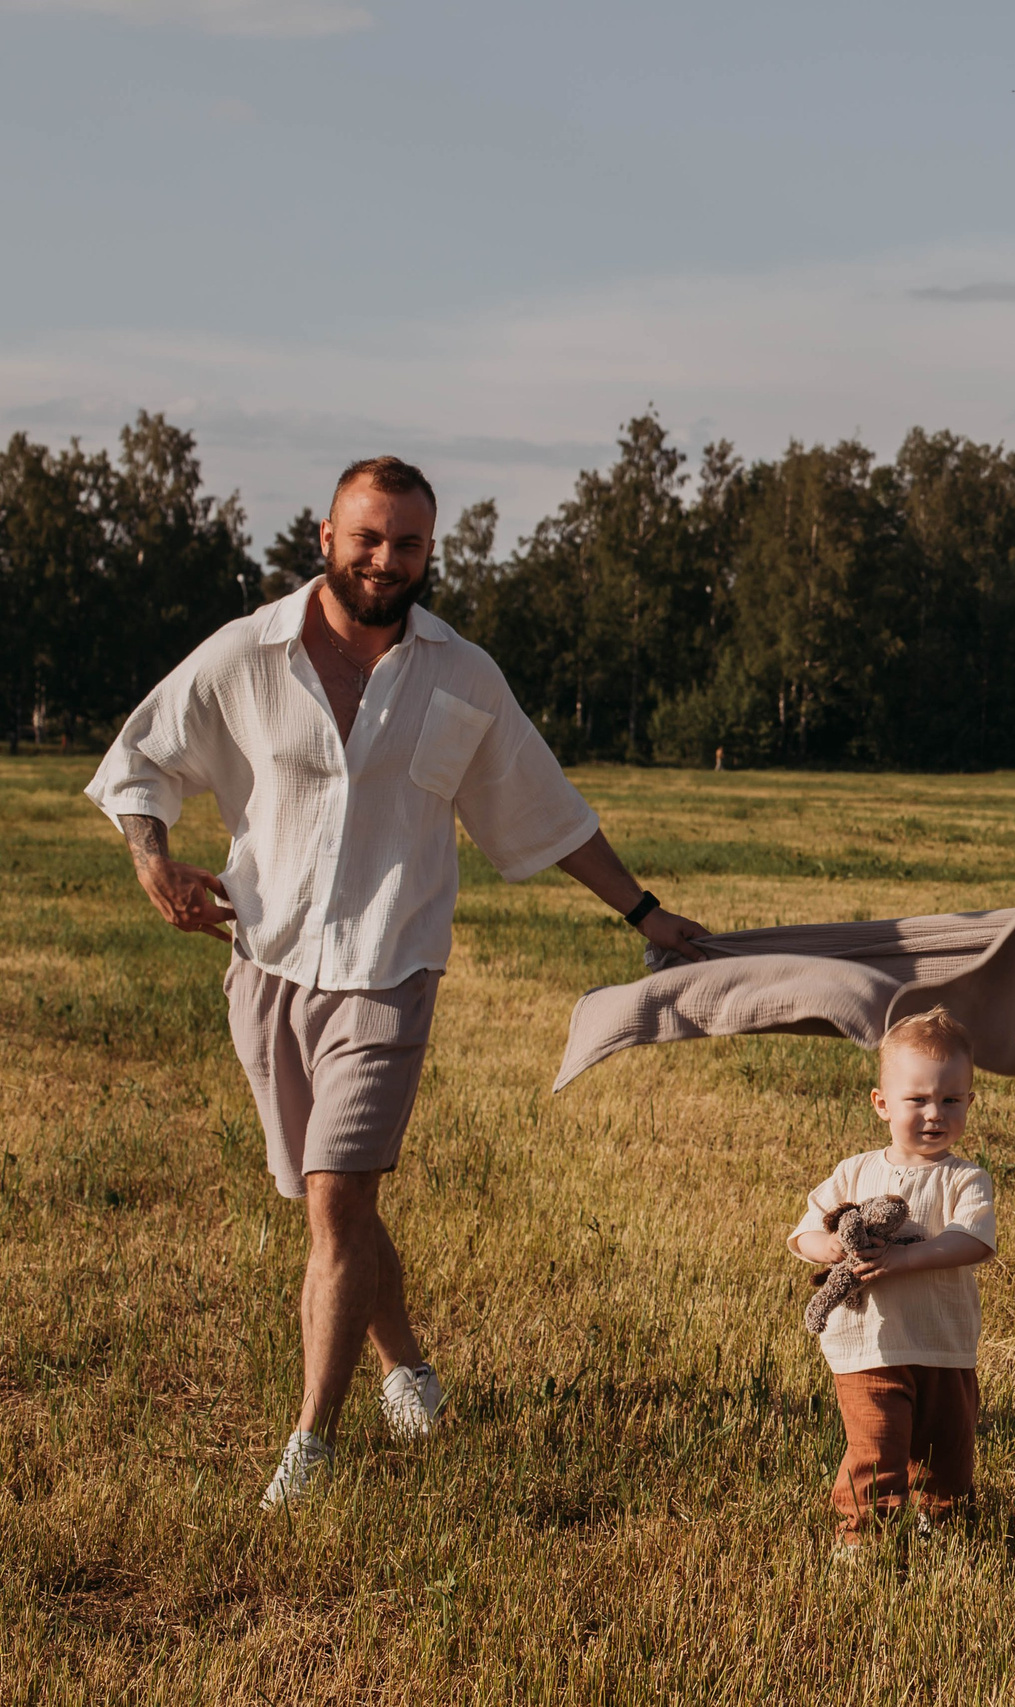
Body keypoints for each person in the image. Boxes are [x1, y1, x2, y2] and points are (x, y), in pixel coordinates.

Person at [84, 455, 712, 1511]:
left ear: (431, 552)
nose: (386, 560)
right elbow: (142, 759)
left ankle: (310, 1446)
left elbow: (545, 811)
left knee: (338, 1198)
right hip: (266, 963)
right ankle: (405, 1363)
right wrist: (152, 859)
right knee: (333, 1207)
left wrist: (645, 914)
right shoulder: (248, 655)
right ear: (325, 538)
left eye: (408, 543)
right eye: (367, 538)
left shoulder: (462, 676)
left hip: (389, 968)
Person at [789, 1008, 997, 1549]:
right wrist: (832, 1247)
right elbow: (806, 1234)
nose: (935, 1113)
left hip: (944, 1346)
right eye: (918, 1100)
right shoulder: (854, 1172)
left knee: (947, 1452)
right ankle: (862, 1537)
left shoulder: (965, 1178)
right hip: (867, 1345)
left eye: (952, 1100)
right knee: (875, 1447)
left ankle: (942, 1527)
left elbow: (972, 1240)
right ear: (882, 1103)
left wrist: (905, 1260)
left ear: (969, 1103)